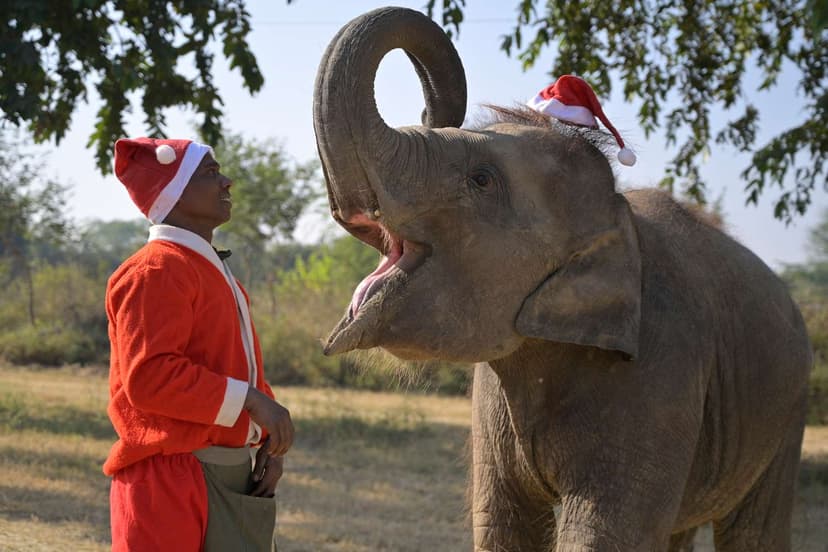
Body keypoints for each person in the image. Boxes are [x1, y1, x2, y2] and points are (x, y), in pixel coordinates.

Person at [103, 137, 295, 551]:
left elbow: (234, 367)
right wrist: (250, 400)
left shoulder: (211, 270)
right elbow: (150, 377)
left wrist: (266, 440)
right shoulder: (155, 269)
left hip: (227, 471)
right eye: (210, 173)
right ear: (173, 193)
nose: (227, 182)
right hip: (169, 478)